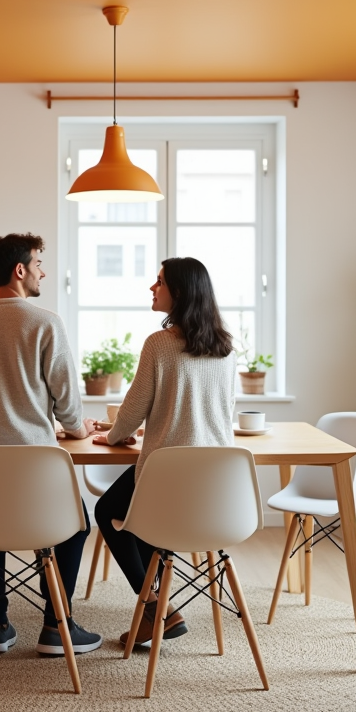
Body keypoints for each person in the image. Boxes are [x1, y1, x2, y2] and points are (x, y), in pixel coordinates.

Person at [0, 232, 103, 656]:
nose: (43, 272)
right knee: (75, 525)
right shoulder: (45, 322)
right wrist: (77, 429)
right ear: (20, 270)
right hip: (39, 465)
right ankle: (56, 626)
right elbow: (68, 403)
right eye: (38, 264)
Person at [92, 257, 237, 647]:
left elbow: (133, 409)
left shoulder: (159, 344)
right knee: (136, 516)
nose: (152, 288)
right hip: (215, 489)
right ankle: (154, 611)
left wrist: (112, 436)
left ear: (181, 291)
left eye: (159, 282)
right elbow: (226, 411)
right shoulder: (225, 347)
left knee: (108, 511)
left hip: (166, 480)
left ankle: (157, 608)